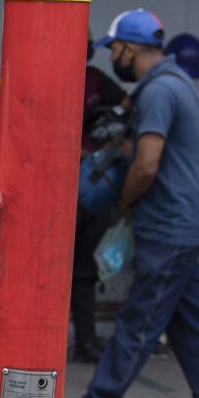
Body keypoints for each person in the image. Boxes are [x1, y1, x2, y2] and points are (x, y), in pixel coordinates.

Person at [61, 10, 199, 398]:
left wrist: (123, 202)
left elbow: (147, 164)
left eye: (114, 49)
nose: (112, 57)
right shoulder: (177, 83)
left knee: (140, 318)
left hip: (169, 225)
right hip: (185, 222)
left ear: (129, 49)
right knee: (188, 319)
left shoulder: (158, 91)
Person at [70, 48, 129, 362]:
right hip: (51, 186)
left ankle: (85, 342)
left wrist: (100, 149)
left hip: (90, 185)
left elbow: (127, 111)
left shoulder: (96, 81)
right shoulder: (41, 75)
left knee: (83, 270)